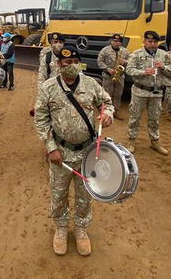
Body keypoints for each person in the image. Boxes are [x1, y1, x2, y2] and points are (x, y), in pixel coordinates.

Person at [34, 46, 114, 256]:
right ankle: (60, 229)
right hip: (60, 152)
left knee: (84, 194)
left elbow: (106, 103)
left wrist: (107, 115)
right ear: (58, 64)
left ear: (80, 63)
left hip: (88, 152)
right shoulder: (48, 87)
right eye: (65, 62)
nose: (69, 66)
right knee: (58, 193)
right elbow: (41, 119)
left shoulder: (91, 84)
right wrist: (51, 147)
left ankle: (81, 229)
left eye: (74, 62)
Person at [125, 31, 168, 155]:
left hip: (156, 93)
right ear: (144, 42)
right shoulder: (136, 54)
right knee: (135, 117)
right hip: (140, 91)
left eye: (155, 42)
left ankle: (155, 142)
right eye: (149, 42)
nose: (152, 44)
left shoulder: (163, 54)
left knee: (154, 119)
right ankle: (131, 141)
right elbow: (129, 69)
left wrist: (164, 67)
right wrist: (143, 72)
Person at [97, 33, 130, 120]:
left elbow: (131, 61)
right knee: (107, 94)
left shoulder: (125, 51)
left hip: (120, 76)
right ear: (111, 41)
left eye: (119, 41)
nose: (117, 43)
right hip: (108, 76)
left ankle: (115, 111)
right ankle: (105, 112)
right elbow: (99, 62)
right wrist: (108, 69)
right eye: (115, 41)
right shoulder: (105, 50)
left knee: (118, 94)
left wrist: (125, 62)